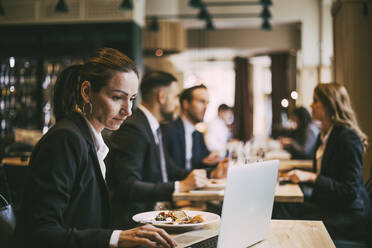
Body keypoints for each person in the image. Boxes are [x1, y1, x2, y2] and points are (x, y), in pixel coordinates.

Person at [12, 48, 176, 248]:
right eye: (117, 97)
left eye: (131, 99)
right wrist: (117, 238)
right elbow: (40, 232)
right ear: (87, 92)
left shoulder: (88, 137)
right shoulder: (65, 139)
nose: (127, 111)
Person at [105, 71, 228, 229]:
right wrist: (179, 186)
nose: (178, 103)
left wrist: (210, 174)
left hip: (160, 214)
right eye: (176, 97)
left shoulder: (152, 125)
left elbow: (169, 169)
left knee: (215, 224)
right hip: (138, 223)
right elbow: (128, 186)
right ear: (162, 97)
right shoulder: (134, 128)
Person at [275, 82, 370, 241]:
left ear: (329, 104)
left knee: (288, 221)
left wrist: (311, 177)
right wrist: (287, 172)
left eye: (315, 100)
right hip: (328, 203)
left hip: (348, 215)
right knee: (282, 206)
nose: (311, 105)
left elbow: (350, 191)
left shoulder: (347, 138)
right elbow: (323, 171)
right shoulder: (326, 134)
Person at [161, 85, 221, 171]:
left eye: (207, 103)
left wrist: (214, 160)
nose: (206, 108)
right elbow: (168, 170)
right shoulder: (167, 130)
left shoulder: (198, 134)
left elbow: (201, 163)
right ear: (186, 104)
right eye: (201, 102)